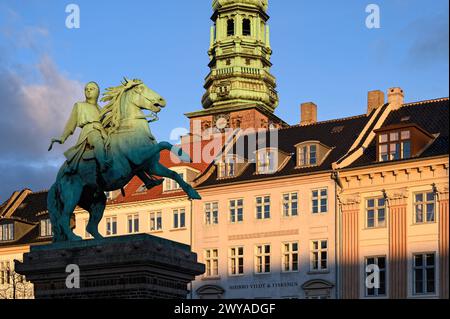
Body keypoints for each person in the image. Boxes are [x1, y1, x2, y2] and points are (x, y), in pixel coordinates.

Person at [49, 82, 111, 173]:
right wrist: (63, 138)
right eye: (86, 89)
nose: (88, 90)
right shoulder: (79, 105)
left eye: (91, 89)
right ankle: (103, 166)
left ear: (97, 92)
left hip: (102, 130)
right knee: (98, 142)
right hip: (90, 130)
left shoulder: (101, 110)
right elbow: (71, 124)